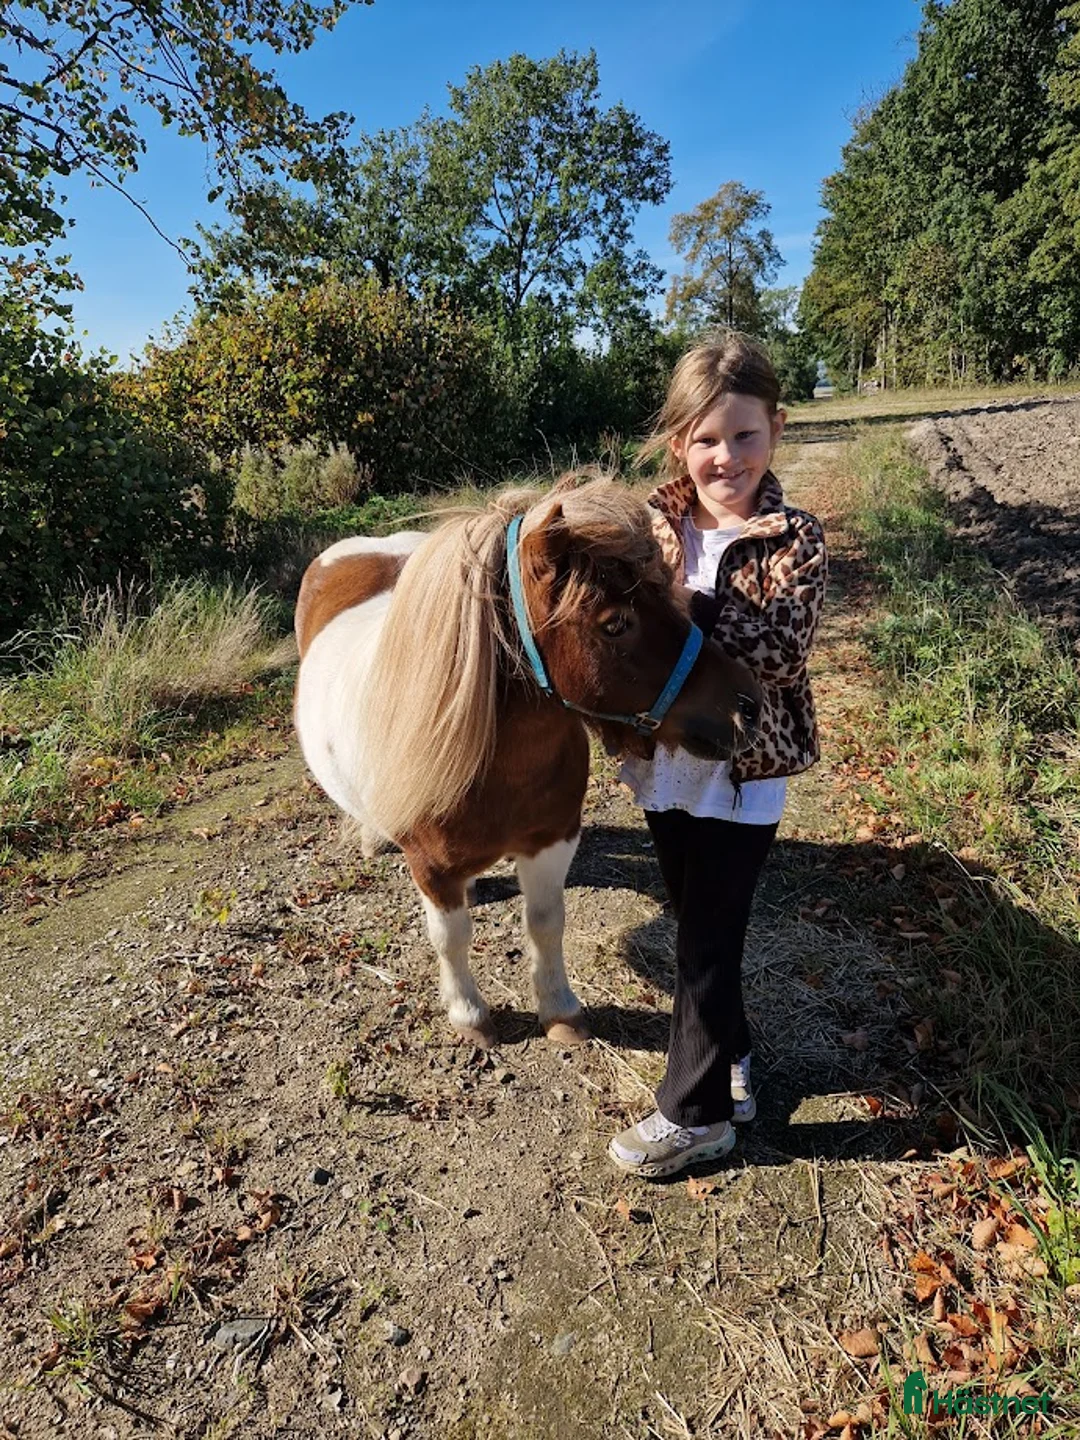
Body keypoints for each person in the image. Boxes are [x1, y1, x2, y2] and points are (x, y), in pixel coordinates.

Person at [608, 332, 827, 1180]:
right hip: (664, 764)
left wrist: (685, 610)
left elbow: (782, 653)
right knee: (693, 924)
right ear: (678, 445)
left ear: (775, 429)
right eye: (705, 439)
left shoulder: (793, 538)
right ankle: (731, 1053)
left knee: (705, 941)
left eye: (743, 435)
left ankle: (695, 1115)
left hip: (745, 772)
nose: (724, 457)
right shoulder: (648, 528)